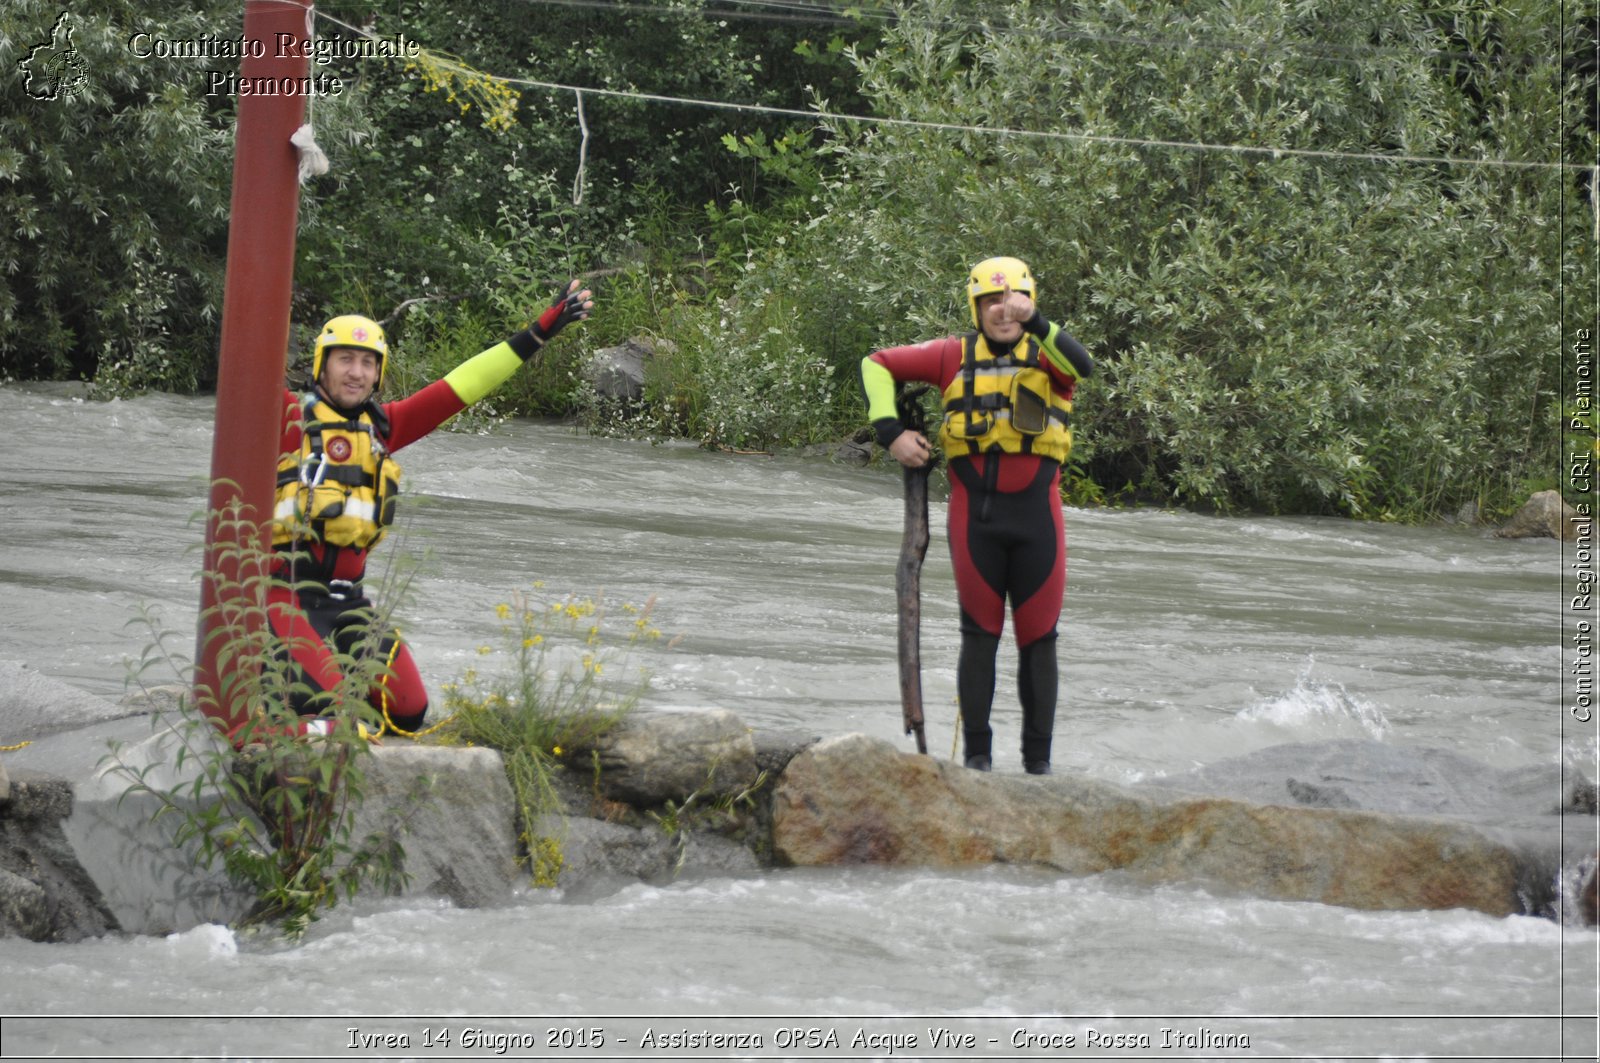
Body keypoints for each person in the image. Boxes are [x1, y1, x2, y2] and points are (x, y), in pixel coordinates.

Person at [266, 281, 593, 738]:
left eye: (367, 362)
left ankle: (315, 690)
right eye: (345, 359)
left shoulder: (386, 428)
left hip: (349, 604)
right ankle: (279, 719)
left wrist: (536, 334)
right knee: (337, 722)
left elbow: (462, 386)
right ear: (322, 365)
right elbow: (249, 366)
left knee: (409, 711)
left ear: (378, 373)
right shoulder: (282, 416)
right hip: (284, 597)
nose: (356, 372)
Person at [859, 257, 1092, 774]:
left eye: (1012, 301)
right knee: (979, 636)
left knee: (1039, 641)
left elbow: (1083, 365)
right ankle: (977, 765)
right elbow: (876, 363)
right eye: (991, 301)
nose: (1002, 310)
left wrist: (1038, 322)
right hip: (974, 524)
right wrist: (890, 431)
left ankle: (1039, 769)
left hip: (1038, 524)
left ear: (1028, 302)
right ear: (976, 306)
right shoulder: (950, 356)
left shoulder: (1050, 354)